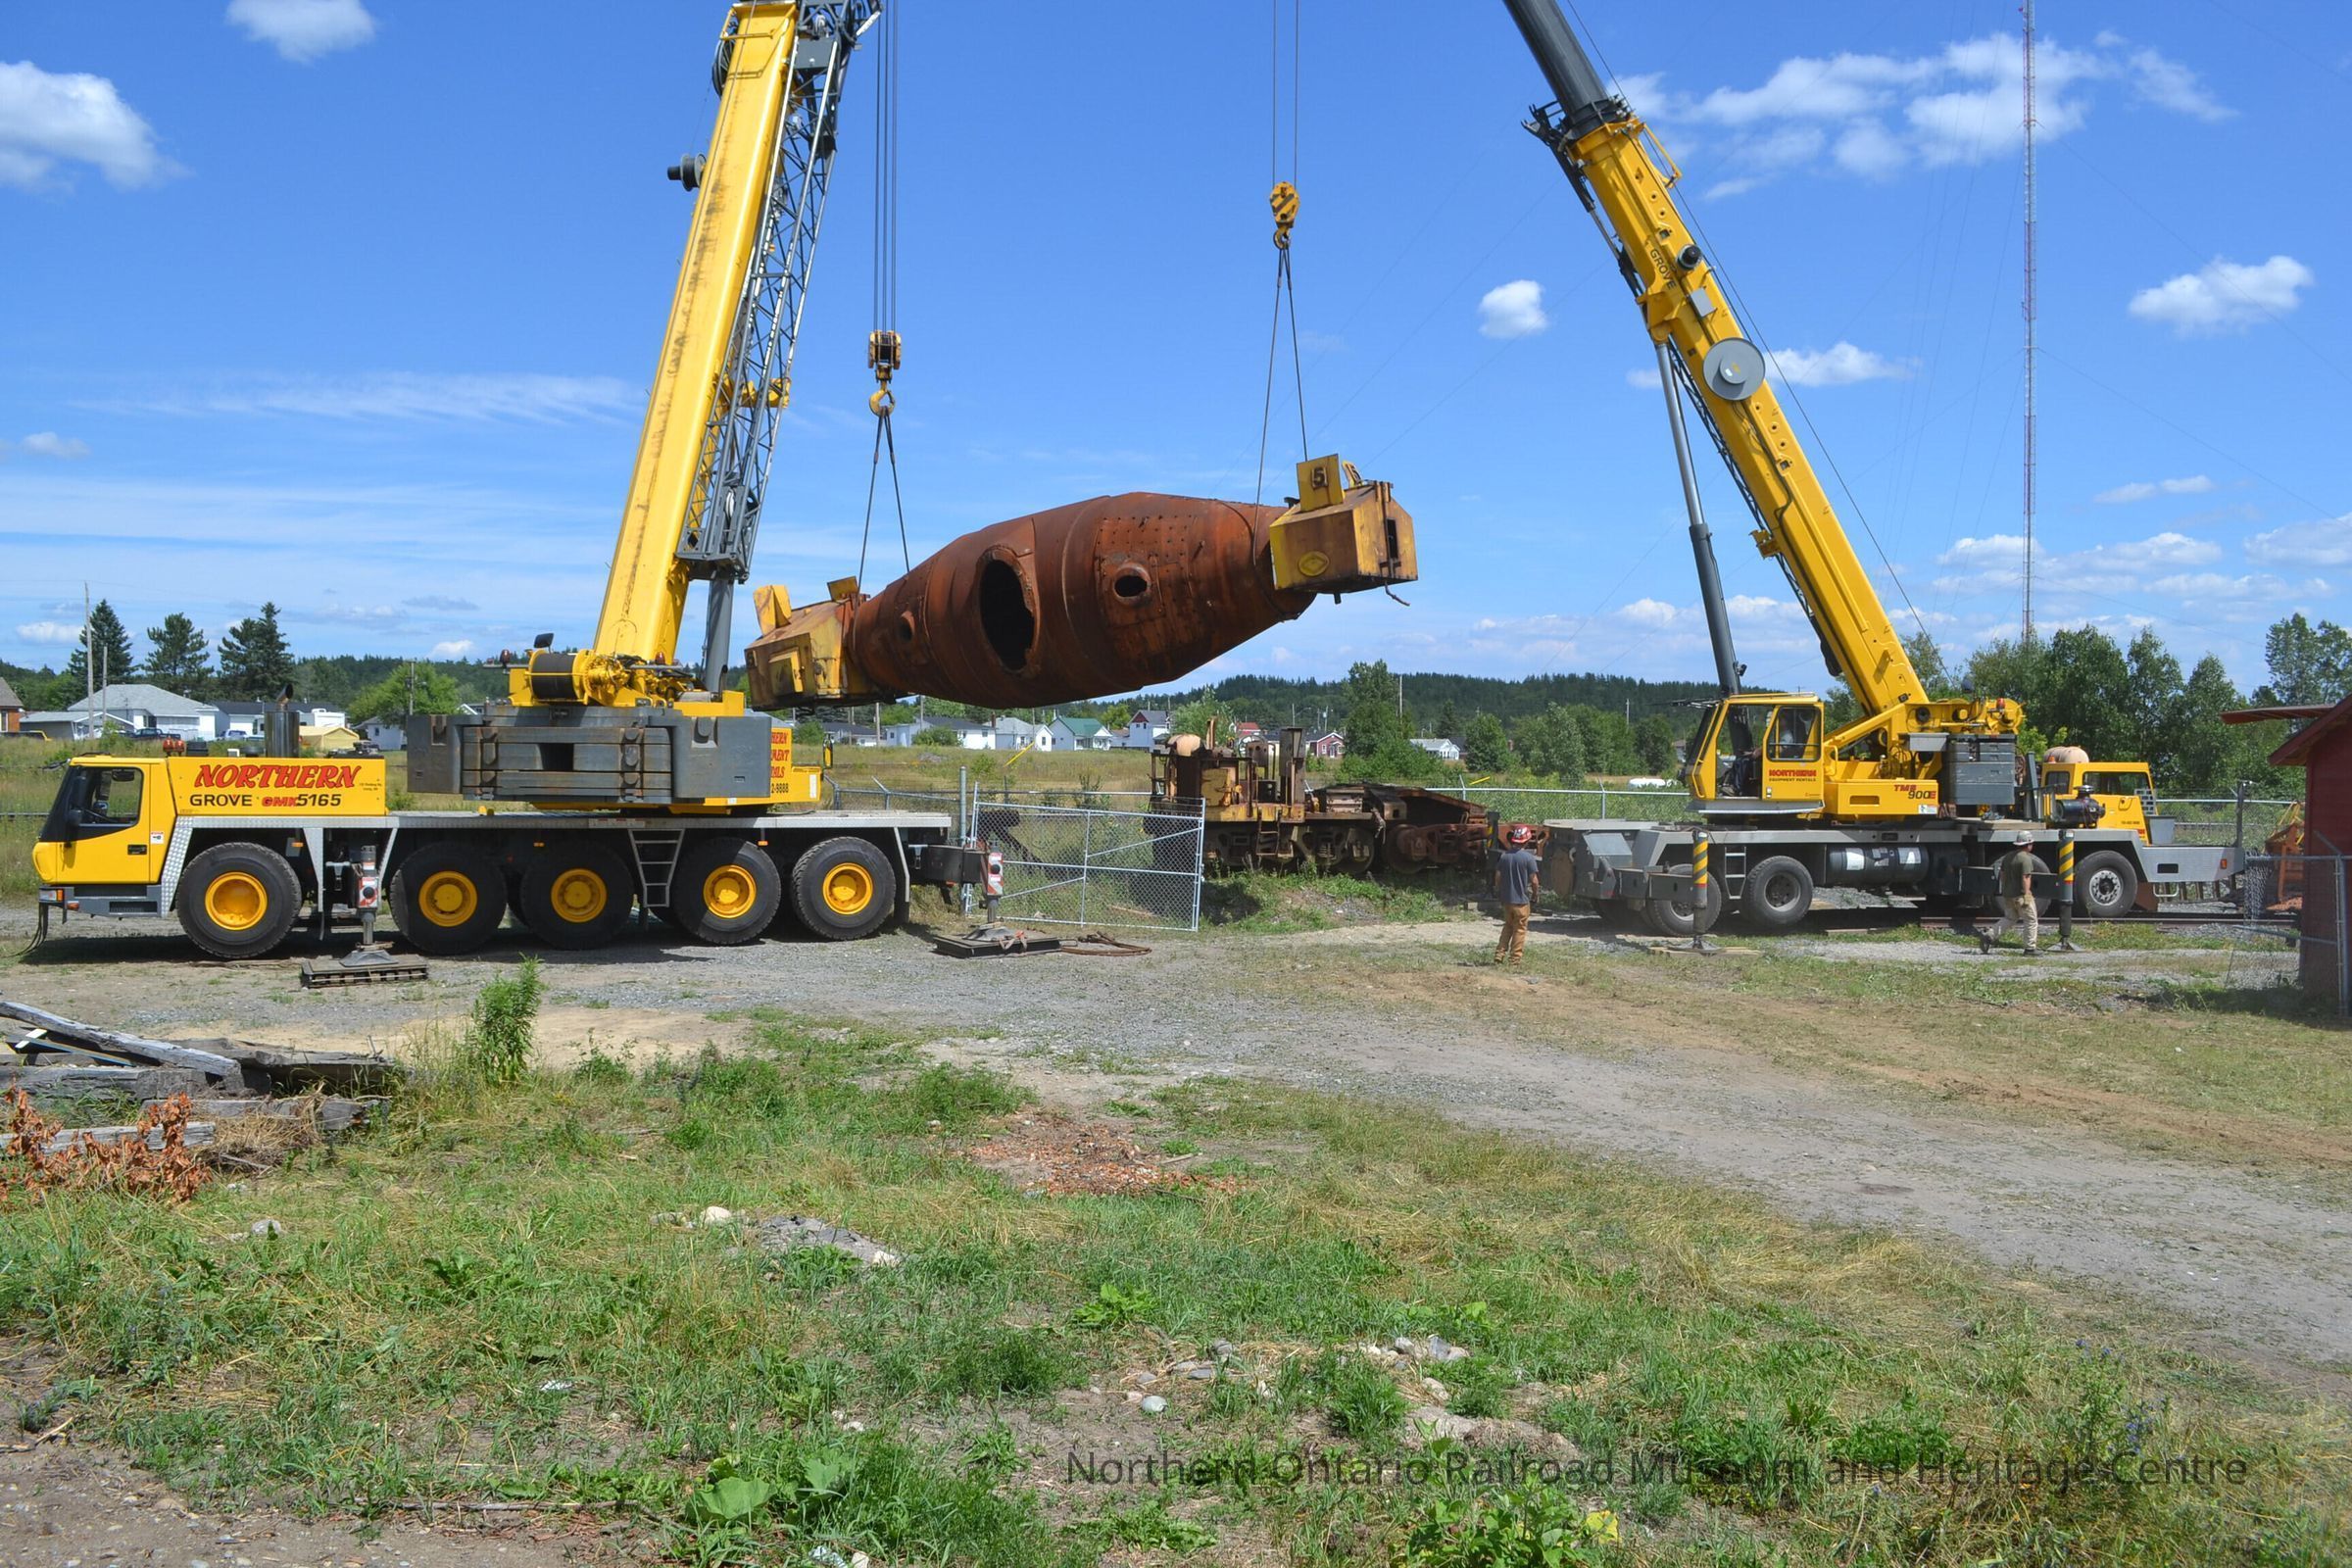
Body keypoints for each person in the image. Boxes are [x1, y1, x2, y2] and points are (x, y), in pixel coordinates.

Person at [1980, 831, 2040, 956]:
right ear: (2028, 844)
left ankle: (1990, 935)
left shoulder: (2008, 857)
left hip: (2008, 895)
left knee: (2010, 918)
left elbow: (2002, 875)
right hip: (2021, 896)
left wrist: (2006, 889)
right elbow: (2026, 877)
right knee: (2031, 920)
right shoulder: (2025, 859)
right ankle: (2030, 948)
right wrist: (2027, 894)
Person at [1493, 823, 1542, 965]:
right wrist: (1535, 895)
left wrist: (1500, 891)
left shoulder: (1504, 857)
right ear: (1526, 841)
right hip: (1521, 902)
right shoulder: (1528, 858)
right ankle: (1515, 959)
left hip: (1507, 900)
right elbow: (1534, 881)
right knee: (1519, 929)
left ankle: (1499, 954)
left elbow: (1497, 877)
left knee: (1508, 926)